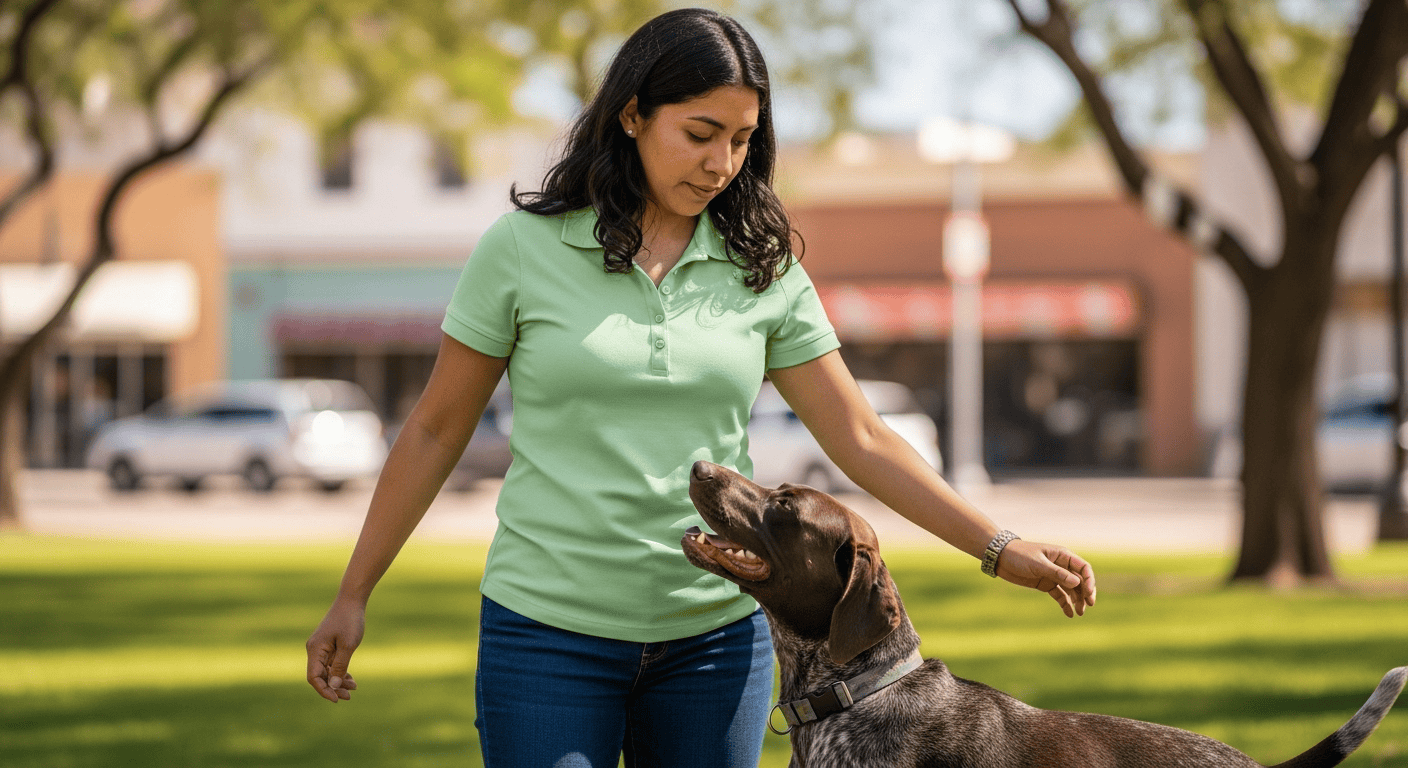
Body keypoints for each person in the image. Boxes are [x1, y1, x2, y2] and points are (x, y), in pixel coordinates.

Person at [305, 8, 1097, 767]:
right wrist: (354, 590)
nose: (722, 164)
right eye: (700, 134)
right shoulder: (522, 250)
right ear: (631, 116)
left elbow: (860, 436)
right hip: (546, 636)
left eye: (743, 141)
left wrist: (999, 548)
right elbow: (437, 429)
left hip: (715, 645)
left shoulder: (764, 267)